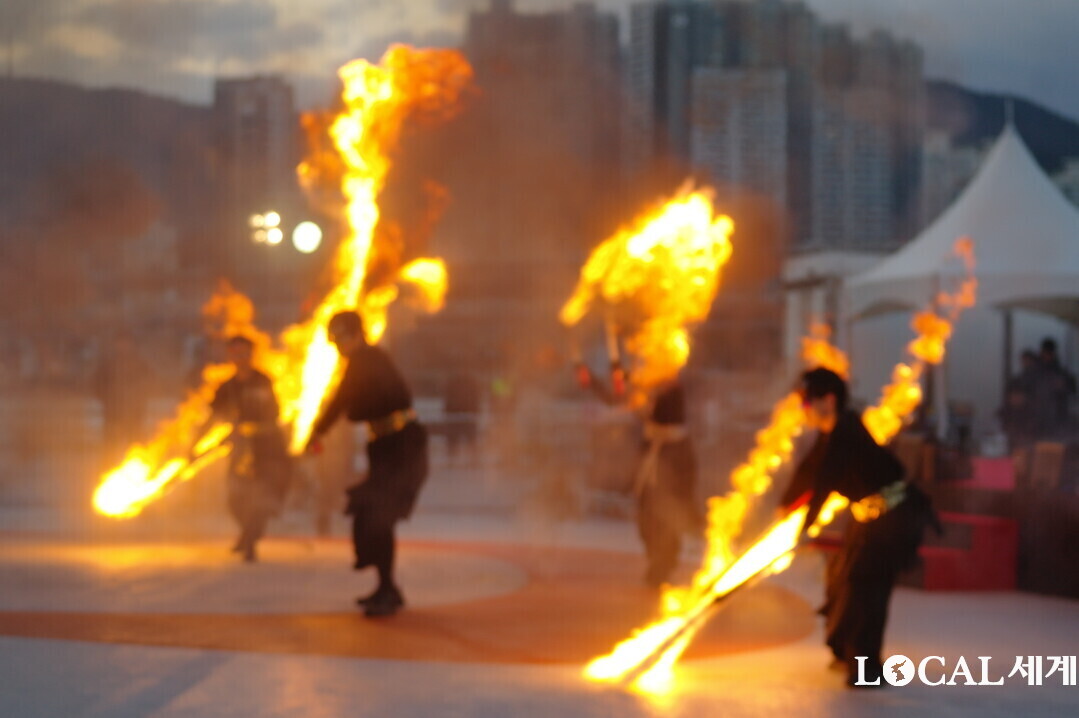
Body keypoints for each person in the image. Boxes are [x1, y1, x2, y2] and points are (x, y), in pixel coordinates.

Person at [778, 367, 938, 688]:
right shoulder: (831, 431)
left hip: (892, 517)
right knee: (841, 581)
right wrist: (785, 505)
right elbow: (810, 469)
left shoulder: (846, 431)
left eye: (807, 402)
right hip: (867, 517)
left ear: (829, 400)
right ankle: (844, 652)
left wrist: (805, 529)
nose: (803, 410)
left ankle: (866, 668)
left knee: (866, 591)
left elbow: (825, 482)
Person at [305, 311, 429, 617]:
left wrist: (322, 429)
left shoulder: (370, 360)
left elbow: (350, 402)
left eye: (342, 339)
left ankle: (387, 588)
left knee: (378, 516)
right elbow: (345, 401)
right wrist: (319, 431)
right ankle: (386, 586)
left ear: (357, 334)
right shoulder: (360, 363)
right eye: (335, 341)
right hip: (387, 447)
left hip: (402, 447)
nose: (338, 346)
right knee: (372, 515)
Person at [197, 335, 291, 562]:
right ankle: (248, 533)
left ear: (251, 354)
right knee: (235, 497)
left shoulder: (263, 381)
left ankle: (250, 539)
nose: (240, 358)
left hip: (267, 447)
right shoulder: (227, 387)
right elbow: (212, 416)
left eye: (244, 353)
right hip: (241, 449)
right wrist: (196, 444)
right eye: (235, 353)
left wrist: (253, 427)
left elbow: (275, 413)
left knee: (261, 498)